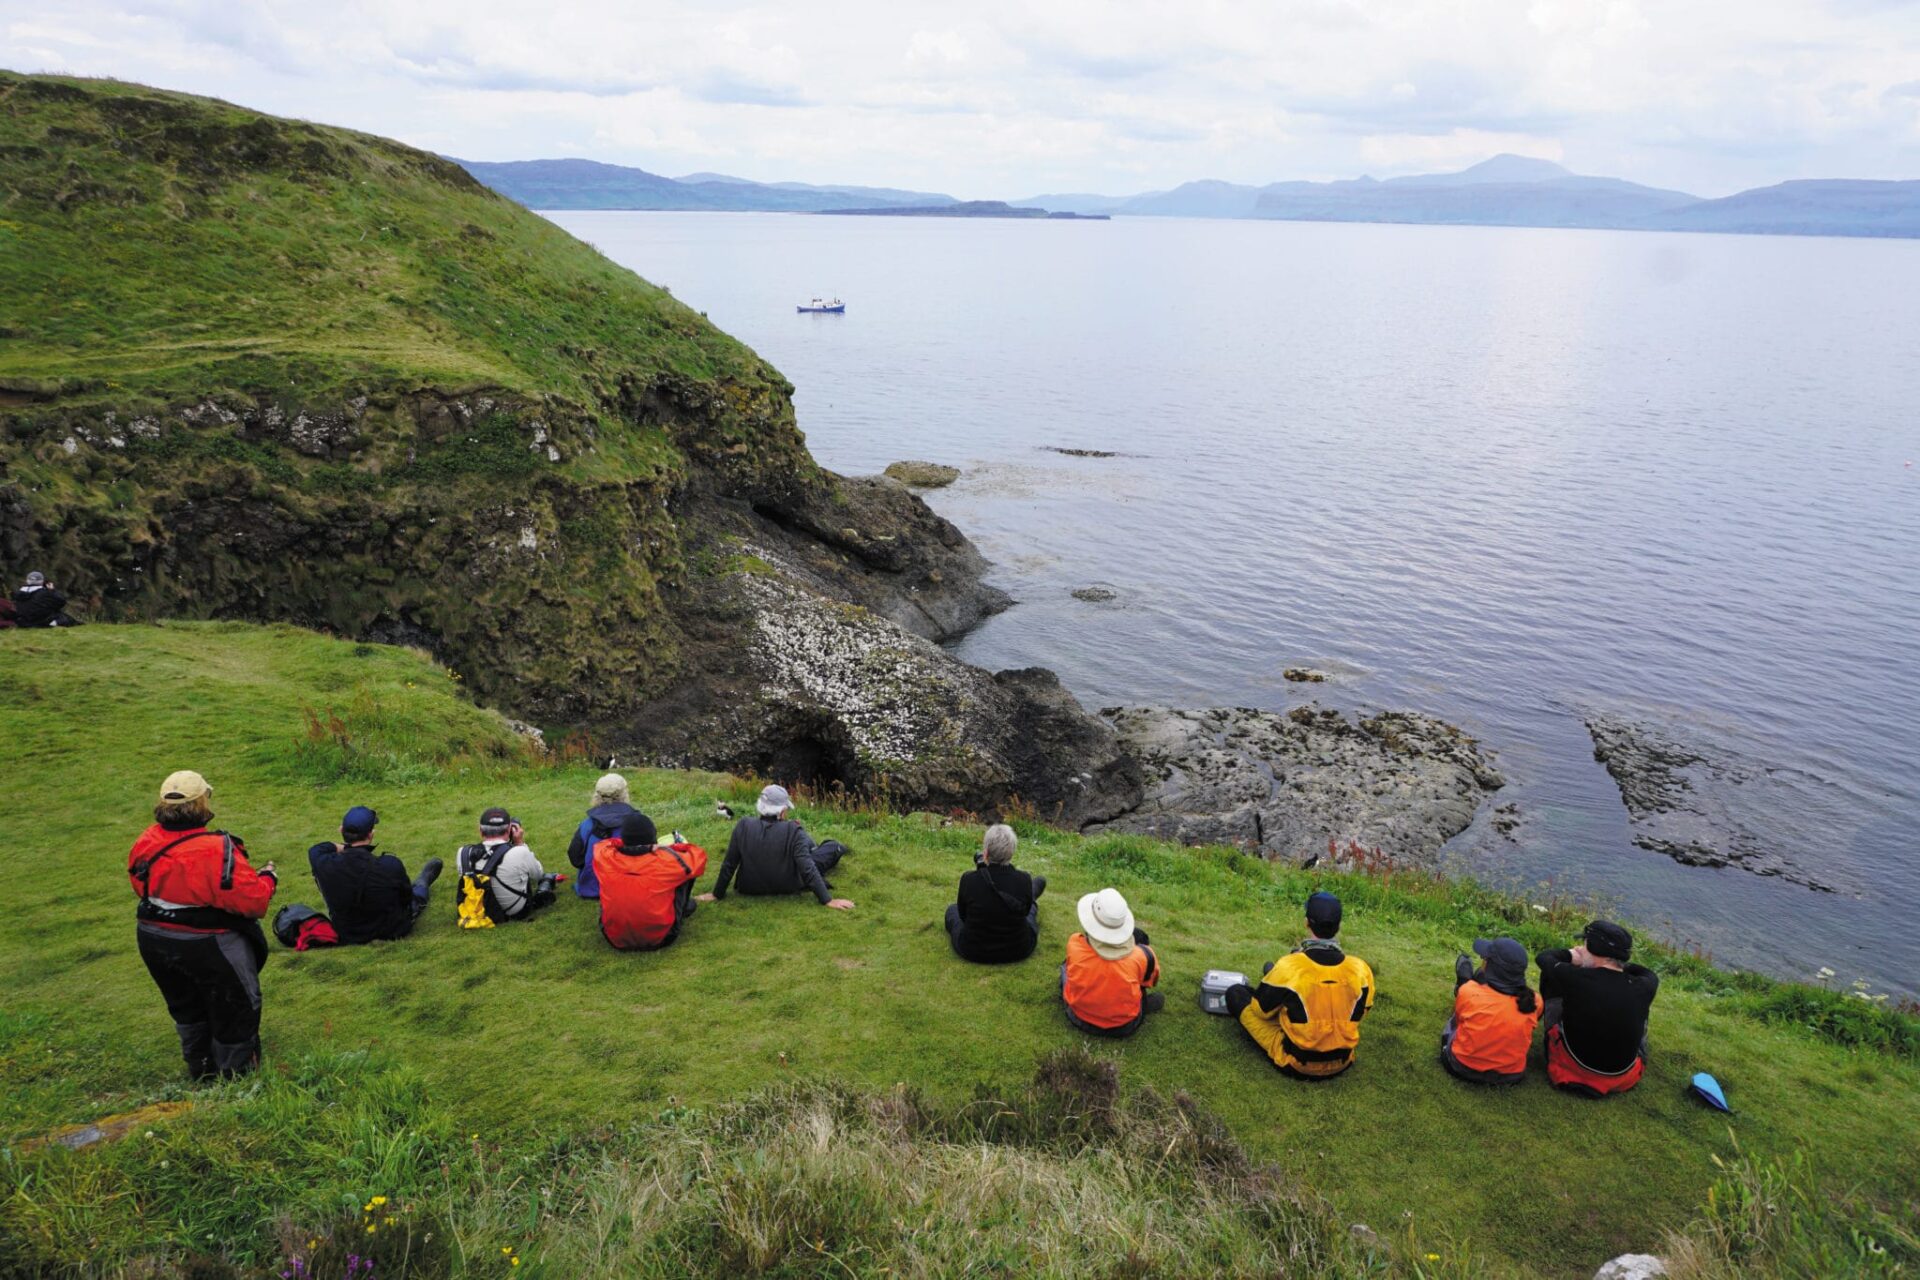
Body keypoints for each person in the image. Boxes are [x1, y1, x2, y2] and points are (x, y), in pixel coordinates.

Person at [126, 771, 277, 1080]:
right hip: (208, 942)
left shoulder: (147, 839)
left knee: (185, 1004)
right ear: (202, 803)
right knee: (235, 1006)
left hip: (153, 935)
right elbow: (253, 902)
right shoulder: (217, 850)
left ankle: (201, 1068)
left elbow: (139, 883)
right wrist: (268, 878)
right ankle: (236, 1079)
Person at [1225, 892, 1375, 1078]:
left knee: (1236, 994)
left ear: (1307, 923)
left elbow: (1260, 1011)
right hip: (1342, 1061)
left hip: (1296, 1062)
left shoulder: (1290, 966)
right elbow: (1362, 1011)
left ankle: (1277, 993)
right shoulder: (1360, 969)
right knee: (1282, 985)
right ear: (1338, 927)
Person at [1536, 921, 1658, 1097]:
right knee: (1640, 1007)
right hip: (1622, 1077)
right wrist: (1619, 964)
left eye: (1584, 944)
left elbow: (1544, 958)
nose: (1581, 948)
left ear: (1593, 947)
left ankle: (1560, 1038)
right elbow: (1647, 973)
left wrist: (1572, 956)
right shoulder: (1646, 985)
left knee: (1550, 976)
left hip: (1572, 1067)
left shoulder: (1576, 978)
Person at [699, 785, 853, 910]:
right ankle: (836, 847)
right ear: (782, 811)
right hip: (788, 884)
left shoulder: (743, 825)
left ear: (760, 806)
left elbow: (729, 864)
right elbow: (807, 867)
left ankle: (816, 847)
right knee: (831, 847)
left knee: (808, 846)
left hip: (749, 886)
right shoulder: (793, 829)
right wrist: (827, 900)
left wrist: (716, 894)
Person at [307, 806, 444, 944]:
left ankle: (422, 883)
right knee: (416, 895)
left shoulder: (324, 862)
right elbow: (406, 898)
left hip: (347, 933)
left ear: (341, 830)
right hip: (391, 930)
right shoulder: (389, 865)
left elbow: (317, 849)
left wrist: (346, 848)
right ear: (371, 834)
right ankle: (423, 882)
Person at [594, 813, 708, 950]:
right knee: (686, 872)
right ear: (653, 838)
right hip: (662, 938)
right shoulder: (667, 861)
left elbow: (603, 844)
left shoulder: (605, 857)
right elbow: (698, 855)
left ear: (624, 838)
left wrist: (633, 846)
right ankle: (681, 909)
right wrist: (669, 847)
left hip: (613, 937)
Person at [1061, 888, 1163, 1036]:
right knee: (1139, 983)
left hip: (1077, 1016)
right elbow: (1149, 982)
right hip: (1124, 1026)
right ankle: (1141, 1005)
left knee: (1065, 968)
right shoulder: (1144, 956)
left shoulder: (1075, 943)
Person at [1439, 937, 1541, 1084]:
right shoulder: (1535, 1001)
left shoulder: (1470, 992)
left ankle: (1463, 981)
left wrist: (1466, 986)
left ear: (1489, 965)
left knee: (1454, 1023)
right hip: (1511, 1076)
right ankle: (1467, 981)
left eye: (1484, 958)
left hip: (1461, 1067)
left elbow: (1459, 1020)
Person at [945, 824, 1046, 963]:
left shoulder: (969, 879)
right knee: (1030, 914)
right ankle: (1033, 893)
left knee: (952, 910)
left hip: (973, 950)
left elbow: (963, 916)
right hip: (1019, 949)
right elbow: (1025, 912)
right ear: (1011, 852)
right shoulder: (1024, 879)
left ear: (985, 853)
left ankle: (1033, 893)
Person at [455, 807, 558, 921]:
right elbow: (538, 874)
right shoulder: (519, 852)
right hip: (512, 911)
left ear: (480, 830)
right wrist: (519, 843)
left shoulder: (463, 852)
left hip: (476, 909)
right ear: (509, 830)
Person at [565, 773, 640, 900]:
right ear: (624, 794)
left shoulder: (586, 825)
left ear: (597, 796)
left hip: (591, 889)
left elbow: (575, 858)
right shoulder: (638, 822)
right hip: (628, 887)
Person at [12, 571, 80, 627]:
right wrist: (52, 591)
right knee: (62, 616)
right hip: (41, 621)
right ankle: (56, 623)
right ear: (42, 581)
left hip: (24, 623)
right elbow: (61, 602)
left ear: (27, 581)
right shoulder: (45, 593)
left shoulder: (18, 594)